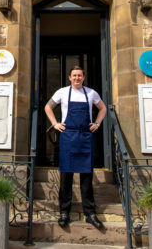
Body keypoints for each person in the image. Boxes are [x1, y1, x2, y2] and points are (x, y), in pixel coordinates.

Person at [44, 66, 107, 229]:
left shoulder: (91, 93)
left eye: (80, 75)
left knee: (86, 177)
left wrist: (97, 123)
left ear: (83, 77)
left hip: (85, 137)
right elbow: (48, 107)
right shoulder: (62, 92)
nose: (77, 78)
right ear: (69, 77)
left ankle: (90, 213)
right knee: (66, 177)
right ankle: (64, 212)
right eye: (74, 76)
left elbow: (103, 108)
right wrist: (55, 124)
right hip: (68, 137)